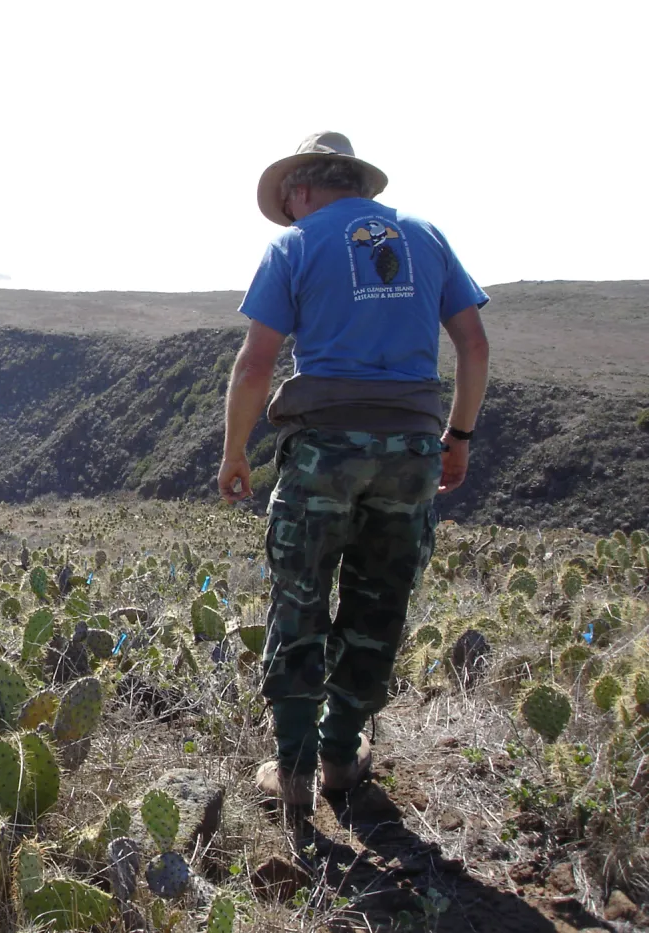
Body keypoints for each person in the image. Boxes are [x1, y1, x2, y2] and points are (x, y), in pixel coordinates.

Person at [218, 132, 491, 807]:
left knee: (300, 600)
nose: (288, 215)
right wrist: (458, 433)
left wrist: (234, 450)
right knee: (379, 601)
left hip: (324, 451)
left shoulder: (295, 245)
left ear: (304, 188)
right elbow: (474, 343)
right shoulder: (425, 236)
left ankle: (294, 774)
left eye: (288, 203)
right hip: (410, 450)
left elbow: (256, 365)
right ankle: (342, 758)